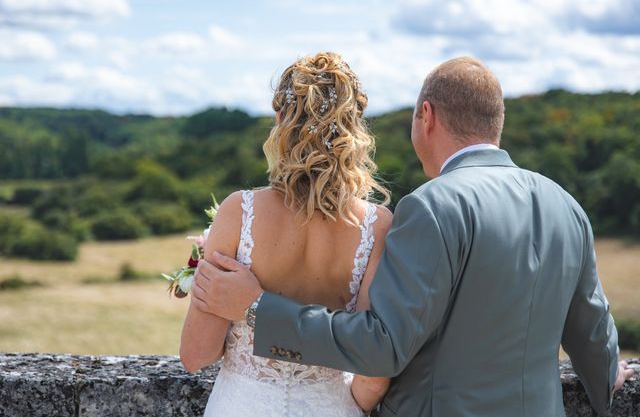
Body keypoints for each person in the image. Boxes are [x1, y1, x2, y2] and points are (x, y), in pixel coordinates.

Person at [195, 56, 635, 416]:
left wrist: (255, 307)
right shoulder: (566, 206)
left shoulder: (432, 205)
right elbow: (592, 330)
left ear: (426, 116)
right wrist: (604, 381)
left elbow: (382, 347)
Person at [180, 52, 394, 416]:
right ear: (354, 130)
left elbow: (196, 354)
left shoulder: (238, 212)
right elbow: (372, 372)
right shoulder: (377, 225)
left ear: (280, 121)